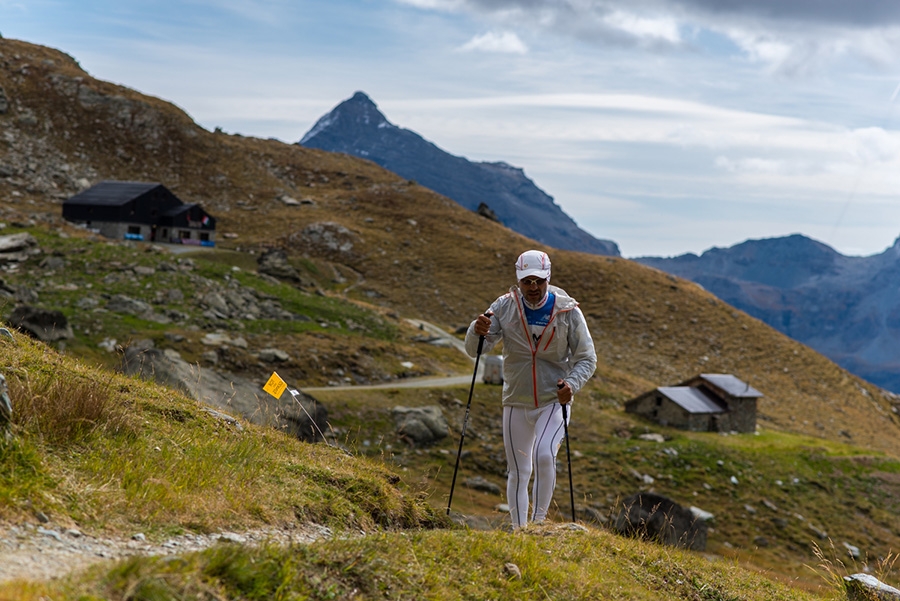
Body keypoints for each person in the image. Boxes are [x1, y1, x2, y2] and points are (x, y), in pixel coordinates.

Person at [465, 249, 597, 528]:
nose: (533, 287)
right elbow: (477, 349)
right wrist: (476, 330)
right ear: (519, 280)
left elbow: (587, 357)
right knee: (518, 470)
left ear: (548, 278)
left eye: (539, 281)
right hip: (516, 398)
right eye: (527, 281)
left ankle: (537, 526)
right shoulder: (503, 306)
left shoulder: (568, 310)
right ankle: (518, 531)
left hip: (553, 399)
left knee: (545, 454)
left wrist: (571, 385)